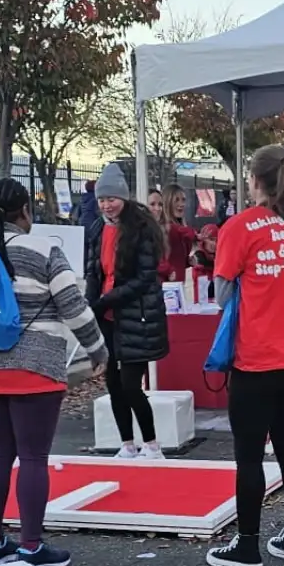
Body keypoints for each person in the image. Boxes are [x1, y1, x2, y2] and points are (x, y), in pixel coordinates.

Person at [0, 179, 107, 566]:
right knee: (32, 457)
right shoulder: (43, 250)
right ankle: (32, 545)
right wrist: (97, 349)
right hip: (35, 368)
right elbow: (73, 306)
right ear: (25, 211)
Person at [206, 144, 284, 566]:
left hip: (259, 356)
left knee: (250, 454)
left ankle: (247, 546)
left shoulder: (239, 227)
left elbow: (222, 295)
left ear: (254, 180)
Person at [84, 162, 167, 460]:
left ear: (123, 197)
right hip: (108, 316)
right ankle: (127, 443)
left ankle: (152, 443)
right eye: (102, 200)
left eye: (112, 199)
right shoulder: (97, 228)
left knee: (132, 385)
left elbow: (145, 278)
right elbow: (93, 270)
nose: (107, 205)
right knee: (113, 383)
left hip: (136, 315)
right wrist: (91, 301)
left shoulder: (141, 228)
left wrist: (109, 299)